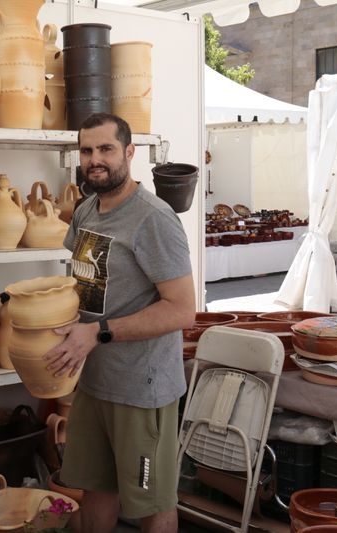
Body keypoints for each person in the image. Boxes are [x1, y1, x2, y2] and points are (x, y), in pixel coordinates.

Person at [45, 112, 196, 533]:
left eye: (106, 149)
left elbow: (182, 309)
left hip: (142, 388)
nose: (95, 159)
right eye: (87, 150)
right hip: (95, 380)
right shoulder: (86, 212)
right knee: (96, 489)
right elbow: (87, 287)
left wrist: (98, 332)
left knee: (152, 502)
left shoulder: (154, 218)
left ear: (129, 153)